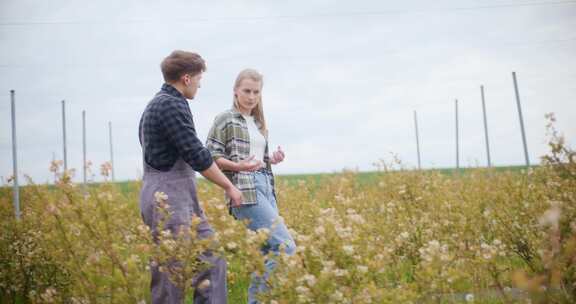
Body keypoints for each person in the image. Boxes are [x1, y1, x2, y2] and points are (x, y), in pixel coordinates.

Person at [139, 50, 243, 304]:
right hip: (167, 197)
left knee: (211, 258)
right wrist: (229, 186)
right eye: (198, 78)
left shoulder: (165, 103)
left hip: (180, 196)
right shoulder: (168, 105)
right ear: (186, 78)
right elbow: (196, 154)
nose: (200, 83)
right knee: (170, 275)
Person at [206, 68, 296, 304]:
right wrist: (237, 167)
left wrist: (271, 158)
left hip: (265, 185)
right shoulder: (225, 119)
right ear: (236, 91)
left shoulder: (258, 123)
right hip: (245, 189)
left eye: (256, 92)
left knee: (267, 251)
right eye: (246, 91)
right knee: (285, 246)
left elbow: (255, 159)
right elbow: (210, 157)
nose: (251, 96)